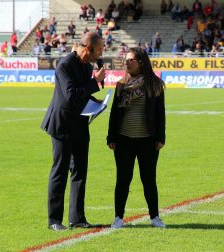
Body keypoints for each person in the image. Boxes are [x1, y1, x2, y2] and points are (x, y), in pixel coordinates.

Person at [40, 32, 106, 231]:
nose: (102, 52)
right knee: (59, 172)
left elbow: (81, 97)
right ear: (88, 48)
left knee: (79, 171)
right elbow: (70, 96)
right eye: (100, 49)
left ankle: (77, 218)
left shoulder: (86, 65)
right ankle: (54, 220)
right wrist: (94, 83)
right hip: (61, 126)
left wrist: (97, 104)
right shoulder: (65, 65)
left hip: (79, 124)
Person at [107, 47, 166, 229]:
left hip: (147, 140)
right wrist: (111, 136)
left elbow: (160, 113)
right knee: (123, 179)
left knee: (149, 179)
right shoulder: (121, 84)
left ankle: (155, 216)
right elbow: (114, 113)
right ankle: (118, 217)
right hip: (124, 139)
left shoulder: (154, 84)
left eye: (130, 60)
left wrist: (160, 137)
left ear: (141, 62)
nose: (127, 63)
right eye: (126, 60)